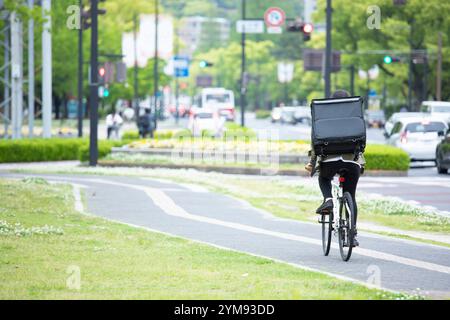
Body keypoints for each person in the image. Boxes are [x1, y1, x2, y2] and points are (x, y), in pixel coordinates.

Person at [305, 89, 365, 247]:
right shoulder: (354, 115)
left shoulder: (324, 115)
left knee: (323, 178)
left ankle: (328, 199)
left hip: (329, 160)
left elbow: (315, 142)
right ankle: (352, 234)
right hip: (351, 161)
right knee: (350, 194)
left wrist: (311, 163)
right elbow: (362, 141)